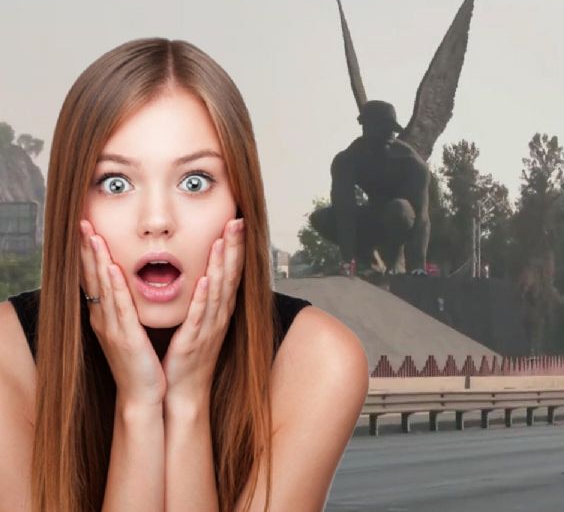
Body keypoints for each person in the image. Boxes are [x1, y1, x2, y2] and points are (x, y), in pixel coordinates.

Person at [0, 38, 369, 511]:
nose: (157, 220)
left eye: (194, 182)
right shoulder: (9, 357)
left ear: (239, 202)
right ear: (73, 203)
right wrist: (138, 405)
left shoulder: (318, 359)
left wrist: (188, 403)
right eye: (116, 182)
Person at [309, 100, 431, 276]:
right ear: (365, 128)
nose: (388, 135)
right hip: (373, 218)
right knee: (321, 218)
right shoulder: (347, 160)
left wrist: (418, 266)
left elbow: (422, 217)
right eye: (382, 129)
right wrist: (348, 259)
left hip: (401, 219)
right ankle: (367, 259)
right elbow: (344, 210)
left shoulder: (412, 163)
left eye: (391, 130)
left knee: (398, 209)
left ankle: (395, 259)